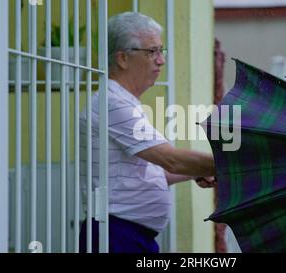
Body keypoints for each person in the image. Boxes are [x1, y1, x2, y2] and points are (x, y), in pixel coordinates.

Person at [79, 12, 216, 253]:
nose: (161, 60)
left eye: (161, 51)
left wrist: (198, 170)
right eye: (152, 52)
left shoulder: (123, 101)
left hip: (126, 234)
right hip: (116, 236)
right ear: (122, 58)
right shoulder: (114, 103)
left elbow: (152, 171)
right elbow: (170, 159)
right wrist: (231, 164)